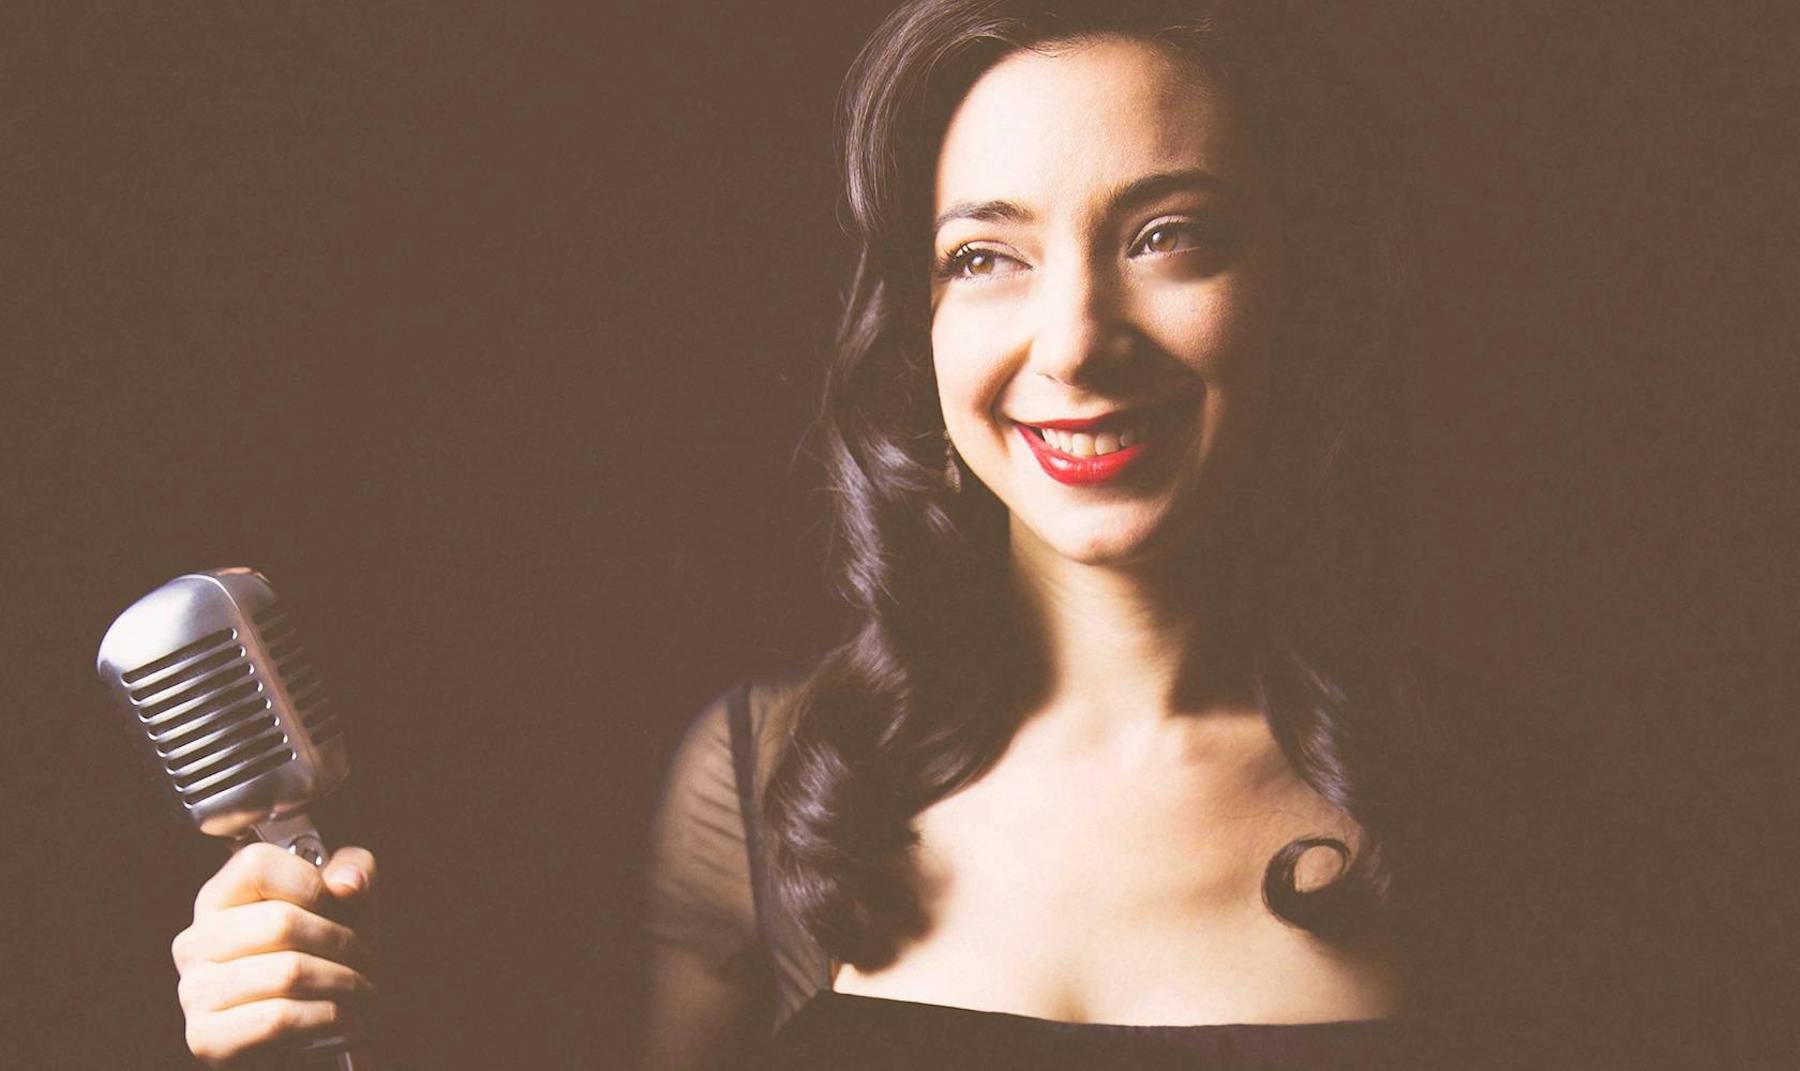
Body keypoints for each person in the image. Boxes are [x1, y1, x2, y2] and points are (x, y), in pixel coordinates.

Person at [170, 1, 1480, 1068]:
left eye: (1166, 237)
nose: (1076, 342)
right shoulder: (769, 786)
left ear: (1300, 291)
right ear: (917, 327)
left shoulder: (1490, 807)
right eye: (986, 256)